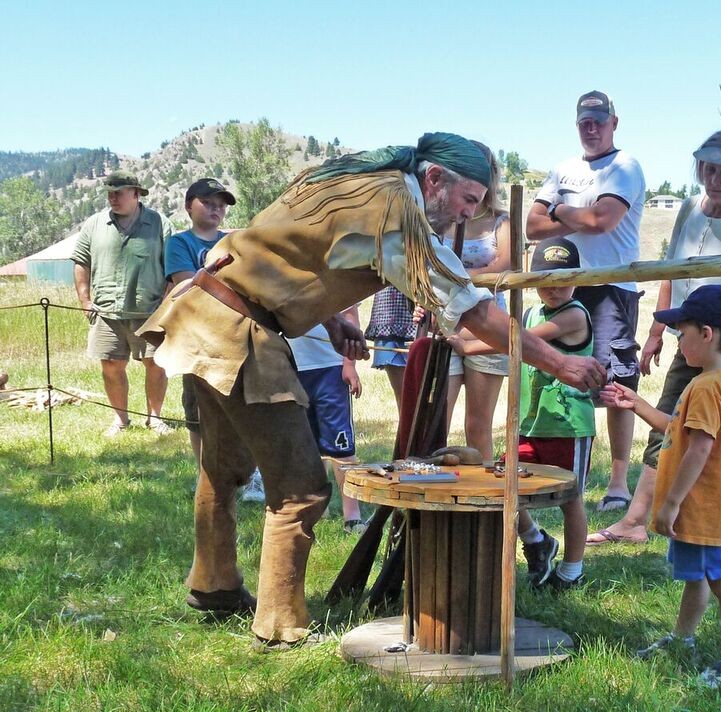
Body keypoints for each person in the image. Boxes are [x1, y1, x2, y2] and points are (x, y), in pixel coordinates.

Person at [138, 132, 606, 648]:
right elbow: (473, 309)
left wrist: (333, 321)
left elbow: (296, 257)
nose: (465, 215)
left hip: (208, 315)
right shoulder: (395, 208)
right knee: (302, 488)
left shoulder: (355, 180)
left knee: (222, 471)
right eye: (468, 200)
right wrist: (559, 361)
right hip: (236, 333)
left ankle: (214, 585)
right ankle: (279, 625)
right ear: (434, 179)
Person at [588, 129, 721, 546]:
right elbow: (674, 270)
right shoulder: (691, 208)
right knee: (668, 422)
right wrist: (659, 329)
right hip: (690, 331)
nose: (713, 179)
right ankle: (636, 520)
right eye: (707, 169)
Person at [604, 285, 721, 688]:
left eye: (681, 334)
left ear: (706, 334)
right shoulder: (717, 378)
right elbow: (678, 431)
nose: (677, 341)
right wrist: (637, 404)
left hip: (701, 506)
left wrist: (670, 503)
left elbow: (699, 450)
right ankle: (683, 638)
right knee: (698, 578)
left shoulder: (707, 387)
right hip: (698, 506)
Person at [449, 237, 595, 591]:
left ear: (576, 278)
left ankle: (571, 571)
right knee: (504, 483)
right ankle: (535, 538)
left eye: (561, 281)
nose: (552, 290)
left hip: (568, 427)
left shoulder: (574, 314)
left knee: (570, 500)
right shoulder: (529, 311)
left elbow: (518, 339)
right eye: (543, 281)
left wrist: (466, 344)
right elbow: (509, 330)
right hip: (530, 424)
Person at [527, 90, 646, 512]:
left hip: (611, 286)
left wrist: (559, 211)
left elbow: (601, 220)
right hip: (560, 278)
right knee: (556, 376)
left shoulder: (625, 166)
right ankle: (554, 462)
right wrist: (570, 215)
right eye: (584, 122)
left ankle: (617, 482)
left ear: (614, 122)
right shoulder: (562, 168)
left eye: (598, 120)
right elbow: (531, 225)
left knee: (613, 384)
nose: (591, 128)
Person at [71, 171, 173, 437]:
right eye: (109, 193)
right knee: (111, 365)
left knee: (156, 363)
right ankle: (120, 419)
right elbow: (81, 261)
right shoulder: (94, 224)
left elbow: (173, 266)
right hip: (106, 312)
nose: (112, 198)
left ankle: (155, 418)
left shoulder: (160, 224)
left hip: (150, 312)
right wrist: (85, 300)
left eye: (119, 192)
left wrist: (167, 302)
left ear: (136, 194)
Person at [442, 142, 510, 461]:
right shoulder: (445, 218)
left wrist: (462, 277)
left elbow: (507, 264)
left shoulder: (501, 220)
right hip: (446, 324)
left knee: (477, 427)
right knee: (436, 421)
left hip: (487, 326)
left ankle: (485, 504)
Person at [165, 178, 237, 465]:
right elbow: (186, 286)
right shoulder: (179, 243)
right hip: (196, 337)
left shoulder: (233, 241)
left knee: (240, 406)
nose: (215, 209)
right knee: (197, 409)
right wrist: (214, 273)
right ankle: (205, 474)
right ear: (188, 206)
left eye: (220, 205)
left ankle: (248, 473)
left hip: (234, 333)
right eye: (207, 203)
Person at [285, 309, 365, 532]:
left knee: (341, 448)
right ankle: (315, 508)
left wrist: (349, 365)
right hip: (292, 368)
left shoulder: (337, 275)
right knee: (304, 445)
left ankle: (352, 516)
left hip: (330, 368)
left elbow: (350, 316)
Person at [364, 286, 416, 409]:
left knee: (424, 394)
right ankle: (407, 428)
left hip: (422, 315)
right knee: (404, 397)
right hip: (389, 315)